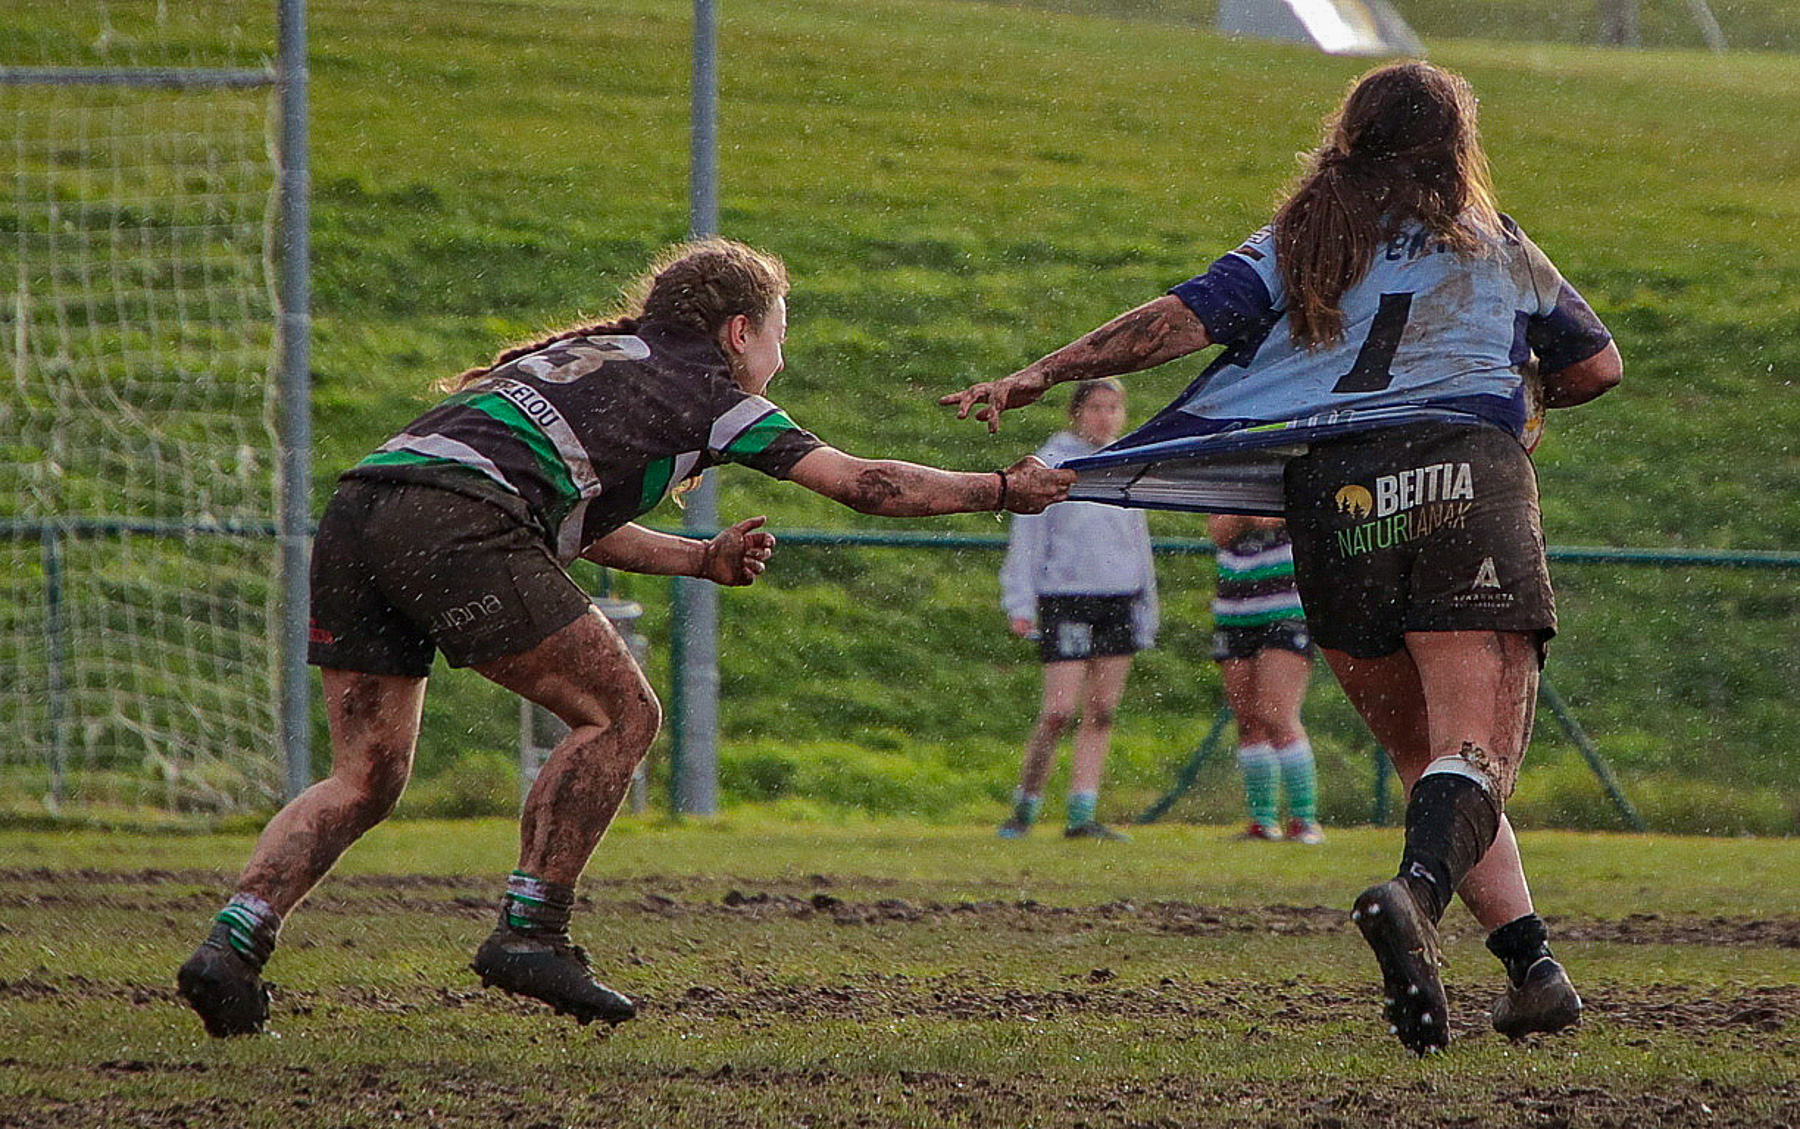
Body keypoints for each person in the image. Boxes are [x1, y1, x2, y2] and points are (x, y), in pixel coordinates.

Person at [177, 238, 1073, 1038]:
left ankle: (231, 946)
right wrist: (1001, 488)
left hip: (364, 508)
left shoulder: (590, 357)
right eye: (778, 334)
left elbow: (569, 519)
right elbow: (866, 484)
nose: (780, 356)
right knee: (622, 715)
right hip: (457, 519)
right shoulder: (712, 397)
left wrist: (701, 559)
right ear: (736, 332)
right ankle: (532, 930)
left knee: (364, 774)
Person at [941, 62, 1621, 1054]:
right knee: (1475, 754)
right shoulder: (1497, 242)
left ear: (1350, 134)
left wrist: (1050, 369)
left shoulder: (1304, 236)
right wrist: (1520, 386)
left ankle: (1532, 966)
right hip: (1462, 477)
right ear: (1452, 145)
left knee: (1421, 753)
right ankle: (1415, 898)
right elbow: (1596, 364)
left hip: (1336, 497)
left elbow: (1175, 319)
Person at [997, 379, 1157, 842]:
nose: (1105, 417)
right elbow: (1029, 538)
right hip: (1066, 597)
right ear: (1077, 413)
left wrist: (1147, 605)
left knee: (1102, 709)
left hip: (1119, 597)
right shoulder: (1052, 462)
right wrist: (1021, 601)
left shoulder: (1126, 461)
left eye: (1113, 408)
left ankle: (1081, 813)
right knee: (1058, 711)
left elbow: (1138, 542)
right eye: (1096, 408)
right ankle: (1025, 807)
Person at [1208, 514, 1322, 845]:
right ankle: (1261, 821)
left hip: (1287, 608)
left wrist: (1253, 520)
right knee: (1247, 721)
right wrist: (1246, 518)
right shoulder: (1229, 478)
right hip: (1235, 609)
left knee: (1277, 713)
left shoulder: (1291, 471)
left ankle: (1304, 820)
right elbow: (1220, 530)